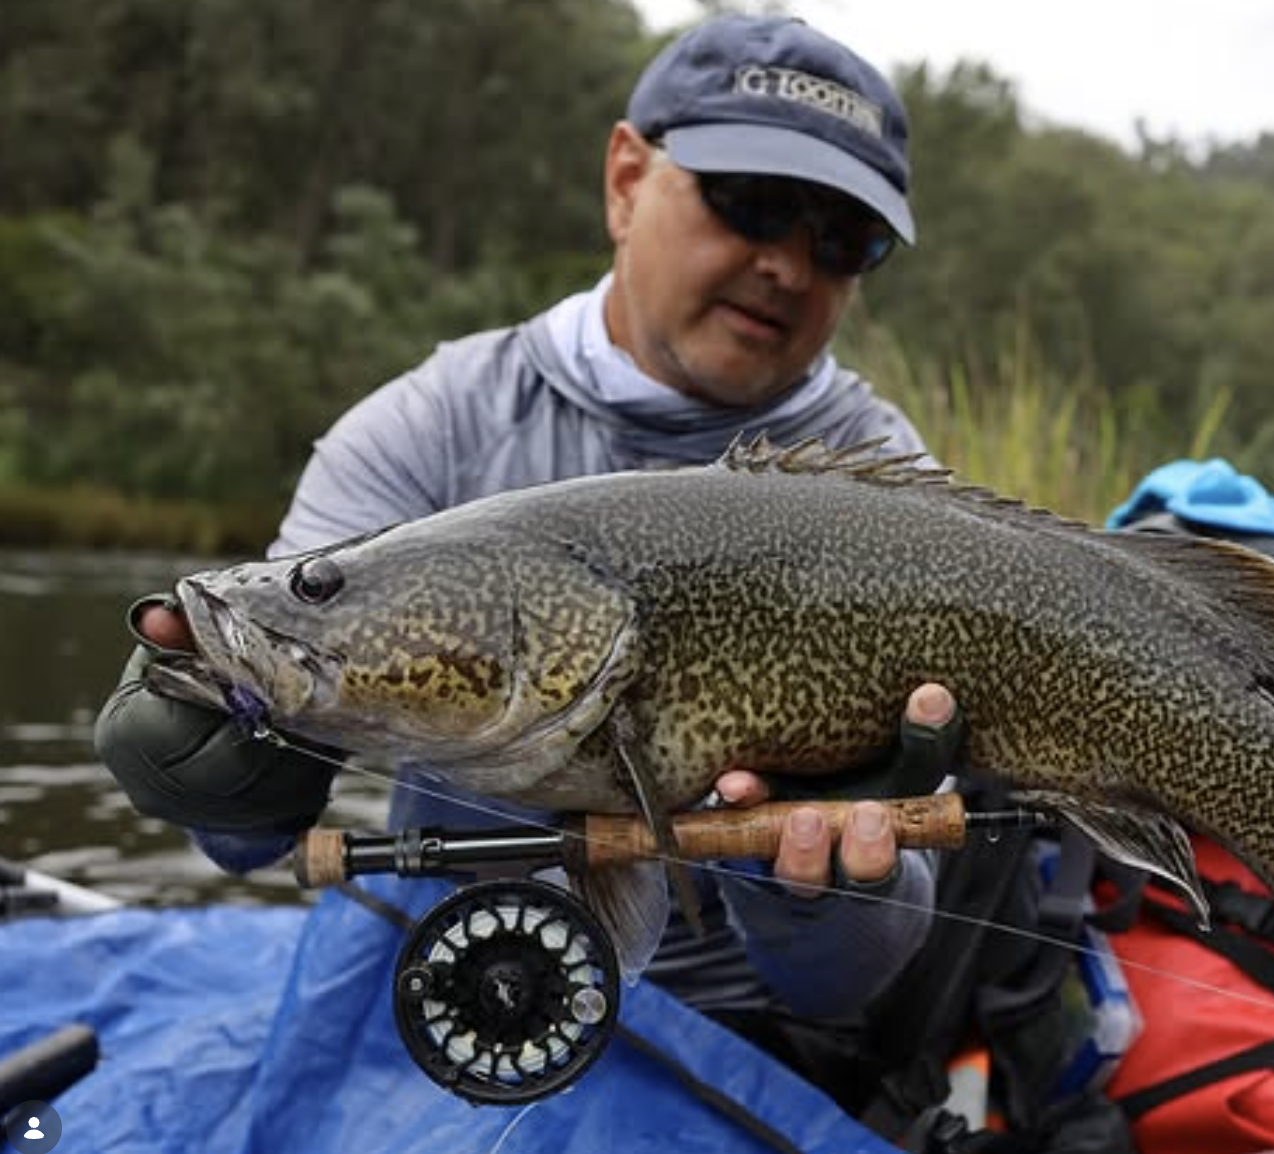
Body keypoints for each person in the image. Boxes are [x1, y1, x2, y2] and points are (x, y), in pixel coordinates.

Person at [94, 13, 955, 1099]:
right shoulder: (429, 431)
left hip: (741, 1044)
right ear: (625, 177)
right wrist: (223, 778)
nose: (786, 262)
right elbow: (240, 852)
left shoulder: (883, 487)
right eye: (746, 200)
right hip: (465, 990)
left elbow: (844, 985)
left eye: (842, 238)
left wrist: (812, 887)